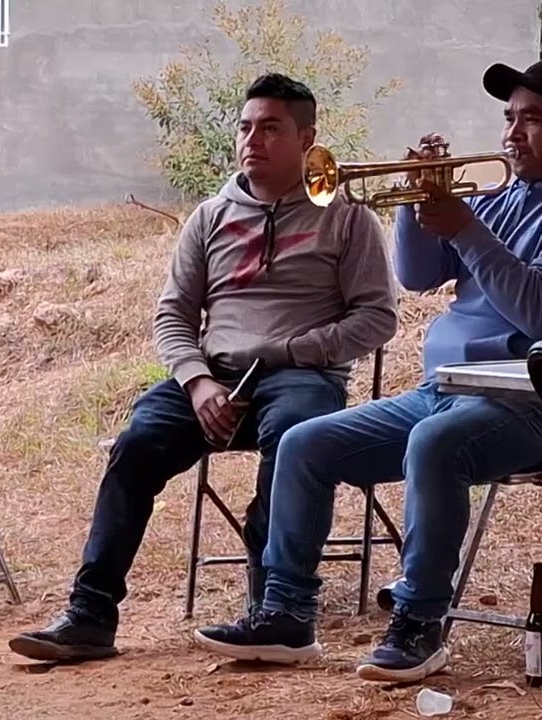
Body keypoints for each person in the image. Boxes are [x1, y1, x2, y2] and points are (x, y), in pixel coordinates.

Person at [7, 73, 398, 664]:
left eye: (271, 128)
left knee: (294, 437)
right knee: (137, 444)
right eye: (245, 127)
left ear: (307, 137)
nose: (253, 139)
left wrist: (294, 350)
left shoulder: (346, 219)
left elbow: (377, 319)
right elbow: (172, 317)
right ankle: (90, 614)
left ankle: (278, 612)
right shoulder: (210, 216)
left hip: (301, 376)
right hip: (212, 377)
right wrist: (197, 382)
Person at [195, 60, 542, 684]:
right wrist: (418, 200)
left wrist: (467, 230)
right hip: (447, 389)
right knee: (307, 444)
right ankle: (285, 614)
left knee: (435, 445)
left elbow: (537, 312)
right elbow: (417, 275)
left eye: (533, 120)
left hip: (526, 400)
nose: (512, 133)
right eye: (509, 118)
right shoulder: (503, 195)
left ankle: (419, 622)